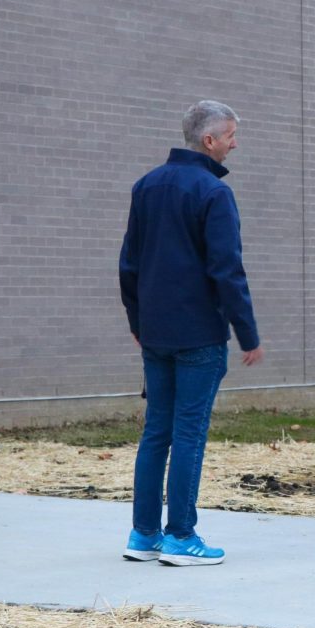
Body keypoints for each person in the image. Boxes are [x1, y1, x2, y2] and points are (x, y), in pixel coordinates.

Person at [118, 100, 263, 567]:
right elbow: (227, 270)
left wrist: (138, 324)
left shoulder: (147, 186)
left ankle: (143, 535)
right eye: (231, 135)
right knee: (189, 433)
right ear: (210, 140)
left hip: (156, 334)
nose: (235, 143)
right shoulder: (213, 194)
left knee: (156, 430)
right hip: (199, 333)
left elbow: (129, 265)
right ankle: (181, 536)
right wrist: (247, 332)